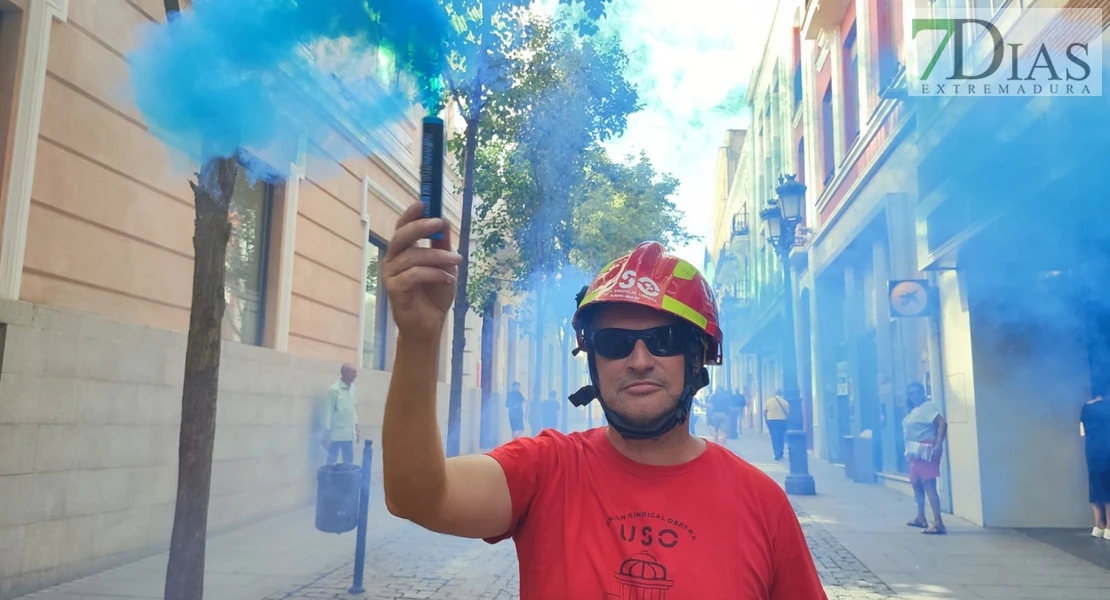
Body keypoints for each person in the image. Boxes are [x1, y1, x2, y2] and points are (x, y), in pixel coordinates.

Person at [379, 203, 827, 599]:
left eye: (663, 340)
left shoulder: (762, 503)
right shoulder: (547, 471)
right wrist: (420, 340)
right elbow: (418, 496)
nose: (638, 360)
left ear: (697, 358)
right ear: (592, 359)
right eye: (614, 342)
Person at [902, 382, 947, 535]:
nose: (915, 395)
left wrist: (938, 444)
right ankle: (921, 517)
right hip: (915, 451)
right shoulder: (914, 410)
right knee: (916, 483)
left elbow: (942, 423)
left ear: (923, 392)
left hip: (926, 449)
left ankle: (938, 522)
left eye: (918, 391)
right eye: (912, 393)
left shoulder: (928, 406)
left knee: (928, 484)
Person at [1080, 386, 1110, 539]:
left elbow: (1083, 432)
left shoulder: (1086, 407)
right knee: (1108, 488)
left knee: (1095, 485)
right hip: (1107, 450)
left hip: (1091, 451)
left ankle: (1098, 526)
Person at [322, 364, 359, 464]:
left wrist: (356, 427)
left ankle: (346, 480)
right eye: (354, 372)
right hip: (336, 434)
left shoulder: (353, 389)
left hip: (349, 435)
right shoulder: (334, 389)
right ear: (345, 373)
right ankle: (329, 479)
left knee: (348, 462)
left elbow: (353, 409)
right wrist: (327, 433)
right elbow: (328, 410)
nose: (356, 375)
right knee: (331, 461)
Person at [764, 390, 788, 461]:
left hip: (771, 421)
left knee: (774, 438)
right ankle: (780, 452)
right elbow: (788, 413)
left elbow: (765, 411)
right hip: (781, 421)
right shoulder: (785, 402)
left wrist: (766, 420)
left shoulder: (769, 401)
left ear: (775, 393)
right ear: (781, 394)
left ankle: (776, 453)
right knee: (781, 437)